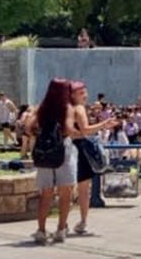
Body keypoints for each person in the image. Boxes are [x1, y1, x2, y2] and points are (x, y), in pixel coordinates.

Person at [31, 79, 80, 245]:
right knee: (65, 193)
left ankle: (41, 230)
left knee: (46, 194)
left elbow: (28, 127)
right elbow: (67, 129)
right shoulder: (67, 108)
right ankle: (60, 229)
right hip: (63, 151)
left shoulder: (42, 108)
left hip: (44, 151)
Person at [69, 82, 120, 235]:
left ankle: (64, 222)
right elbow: (85, 130)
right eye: (81, 93)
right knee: (84, 188)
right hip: (80, 149)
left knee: (68, 187)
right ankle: (83, 221)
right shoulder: (79, 109)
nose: (85, 96)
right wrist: (103, 124)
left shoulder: (65, 109)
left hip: (68, 147)